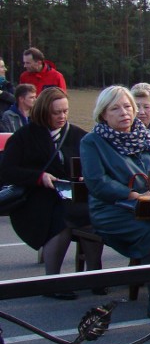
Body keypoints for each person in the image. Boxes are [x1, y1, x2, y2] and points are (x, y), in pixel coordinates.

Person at [80, 86, 150, 324]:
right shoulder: (93, 142)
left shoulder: (148, 137)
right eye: (116, 108)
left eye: (128, 106)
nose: (125, 112)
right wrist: (132, 195)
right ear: (103, 114)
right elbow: (97, 182)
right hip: (113, 209)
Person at [0, 87, 103, 293]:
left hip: (69, 195)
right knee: (59, 220)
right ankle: (52, 280)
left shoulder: (77, 135)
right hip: (34, 199)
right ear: (43, 111)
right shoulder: (23, 137)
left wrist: (85, 175)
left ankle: (95, 276)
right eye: (56, 112)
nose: (62, 116)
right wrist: (39, 177)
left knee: (91, 217)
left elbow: (92, 165)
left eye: (65, 111)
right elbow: (7, 171)